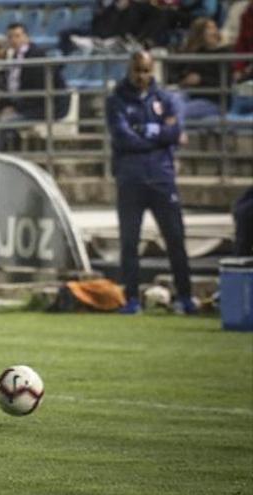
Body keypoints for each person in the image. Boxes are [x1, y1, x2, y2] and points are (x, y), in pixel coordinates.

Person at [106, 51, 197, 315]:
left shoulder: (165, 99)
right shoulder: (117, 101)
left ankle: (185, 297)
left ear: (152, 70)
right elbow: (123, 138)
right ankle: (132, 298)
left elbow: (175, 131)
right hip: (130, 179)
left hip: (162, 178)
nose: (142, 76)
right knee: (129, 242)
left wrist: (144, 130)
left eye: (146, 70)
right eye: (137, 70)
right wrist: (159, 134)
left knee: (176, 239)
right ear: (129, 70)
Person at [172, 17, 232, 122]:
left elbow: (226, 83)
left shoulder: (225, 54)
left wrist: (201, 80)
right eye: (209, 28)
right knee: (169, 103)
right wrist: (184, 81)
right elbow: (176, 75)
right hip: (190, 95)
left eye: (214, 27)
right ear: (200, 33)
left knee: (179, 111)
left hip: (213, 101)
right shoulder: (196, 53)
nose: (213, 31)